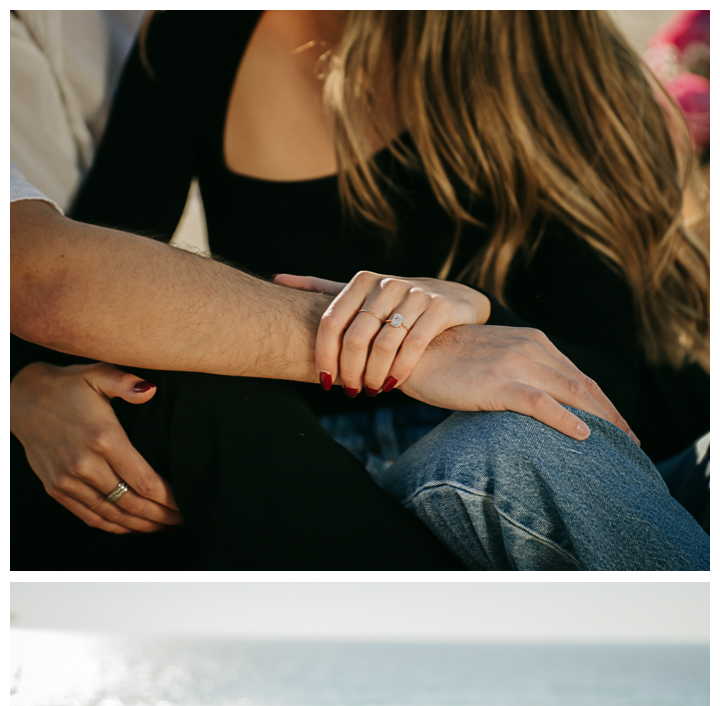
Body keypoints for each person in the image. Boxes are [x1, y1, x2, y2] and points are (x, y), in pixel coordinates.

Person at [11, 11, 709, 569]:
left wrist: (473, 316)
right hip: (311, 454)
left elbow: (613, 383)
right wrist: (25, 386)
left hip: (541, 458)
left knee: (505, 445)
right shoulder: (198, 34)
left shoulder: (535, 45)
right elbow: (105, 263)